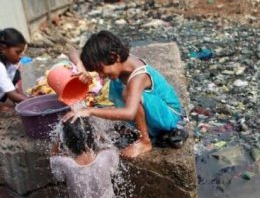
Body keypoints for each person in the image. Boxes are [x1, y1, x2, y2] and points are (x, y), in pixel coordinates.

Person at [64, 30, 187, 158]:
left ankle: (145, 141)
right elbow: (70, 49)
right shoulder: (119, 61)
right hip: (153, 114)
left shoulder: (138, 76)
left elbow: (129, 113)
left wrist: (90, 111)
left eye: (100, 70)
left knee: (127, 93)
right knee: (121, 91)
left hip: (169, 116)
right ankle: (141, 130)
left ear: (115, 57)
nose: (100, 75)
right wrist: (80, 65)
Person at [0, 28, 28, 109]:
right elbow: (12, 94)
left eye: (22, 52)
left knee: (16, 74)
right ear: (3, 48)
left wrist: (25, 97)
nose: (21, 55)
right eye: (18, 52)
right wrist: (32, 101)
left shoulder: (9, 62)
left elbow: (14, 88)